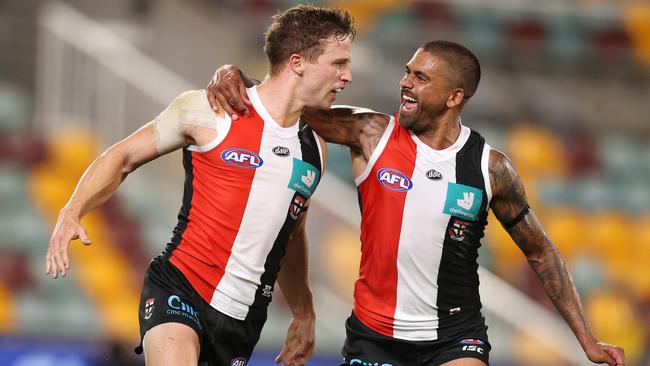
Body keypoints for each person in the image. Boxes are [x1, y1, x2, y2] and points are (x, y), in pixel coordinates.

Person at [206, 40, 626, 366]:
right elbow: (287, 103)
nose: (406, 82)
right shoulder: (371, 132)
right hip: (374, 336)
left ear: (454, 96)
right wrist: (237, 75)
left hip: (455, 336)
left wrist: (586, 337)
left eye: (421, 77)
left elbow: (542, 253)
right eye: (408, 72)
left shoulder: (490, 168)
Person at [44, 5, 355, 366]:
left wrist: (303, 311)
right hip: (179, 288)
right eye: (339, 63)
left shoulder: (314, 148)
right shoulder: (211, 110)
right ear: (298, 62)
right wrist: (73, 208)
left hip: (243, 320)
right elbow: (122, 156)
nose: (347, 76)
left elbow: (291, 230)